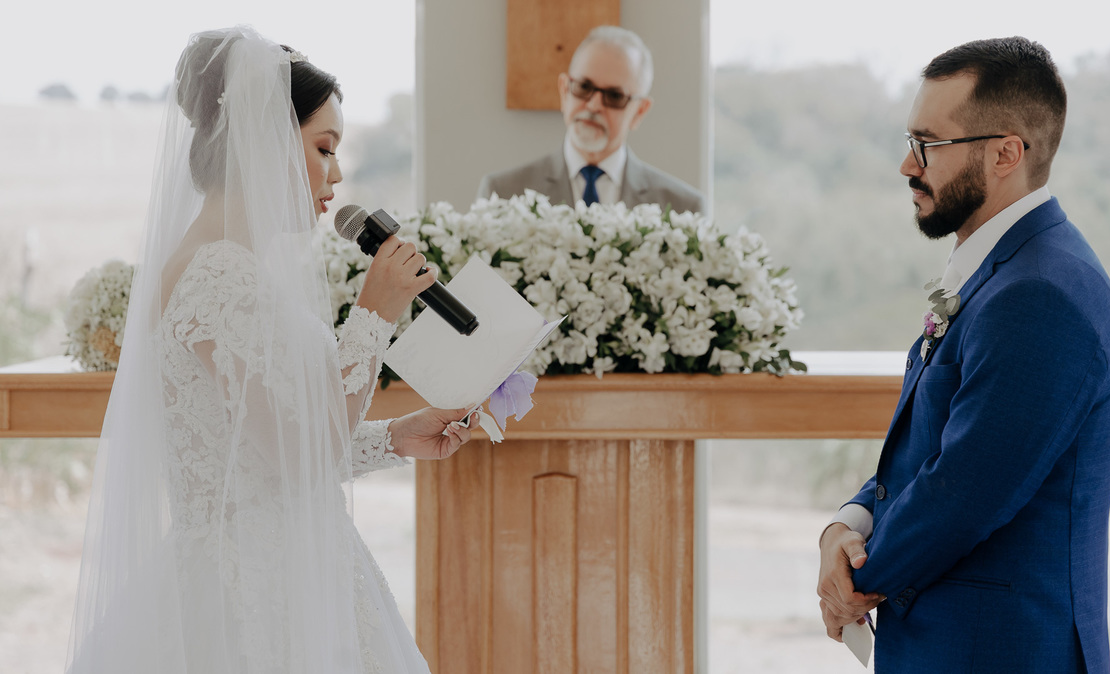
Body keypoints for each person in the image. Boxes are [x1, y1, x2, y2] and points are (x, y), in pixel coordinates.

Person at [66, 27, 476, 673]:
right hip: (253, 586)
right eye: (324, 148)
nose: (336, 176)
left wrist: (395, 436)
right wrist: (373, 315)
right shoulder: (218, 275)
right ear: (261, 140)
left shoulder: (228, 269)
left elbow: (271, 446)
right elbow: (294, 456)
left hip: (290, 561)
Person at [816, 37, 1110, 673]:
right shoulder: (1007, 273)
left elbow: (964, 491)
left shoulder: (1041, 294)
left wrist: (853, 582)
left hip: (1000, 650)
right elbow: (931, 448)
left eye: (928, 144)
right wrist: (843, 527)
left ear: (1006, 153)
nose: (908, 164)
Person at [477, 25, 706, 214]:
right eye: (584, 87)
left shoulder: (683, 209)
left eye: (615, 96)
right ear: (564, 90)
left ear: (640, 112)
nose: (594, 105)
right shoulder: (502, 194)